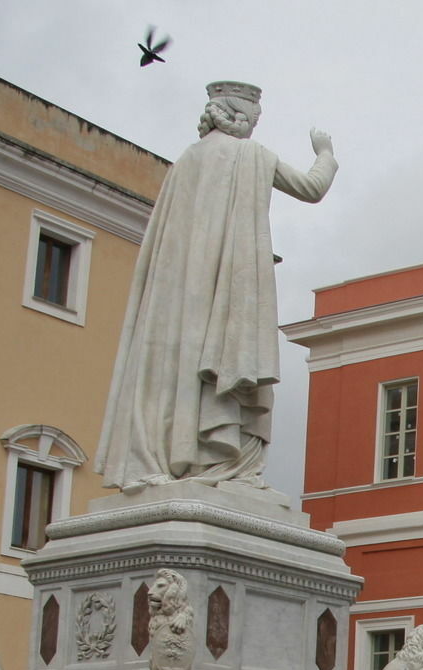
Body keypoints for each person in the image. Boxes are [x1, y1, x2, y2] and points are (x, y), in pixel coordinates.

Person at [97, 81, 338, 496]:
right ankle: (226, 462)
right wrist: (326, 154)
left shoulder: (185, 162)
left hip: (181, 293)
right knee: (228, 354)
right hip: (230, 286)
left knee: (181, 367)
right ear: (242, 118)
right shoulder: (252, 155)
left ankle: (176, 455)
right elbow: (310, 188)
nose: (255, 127)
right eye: (256, 119)